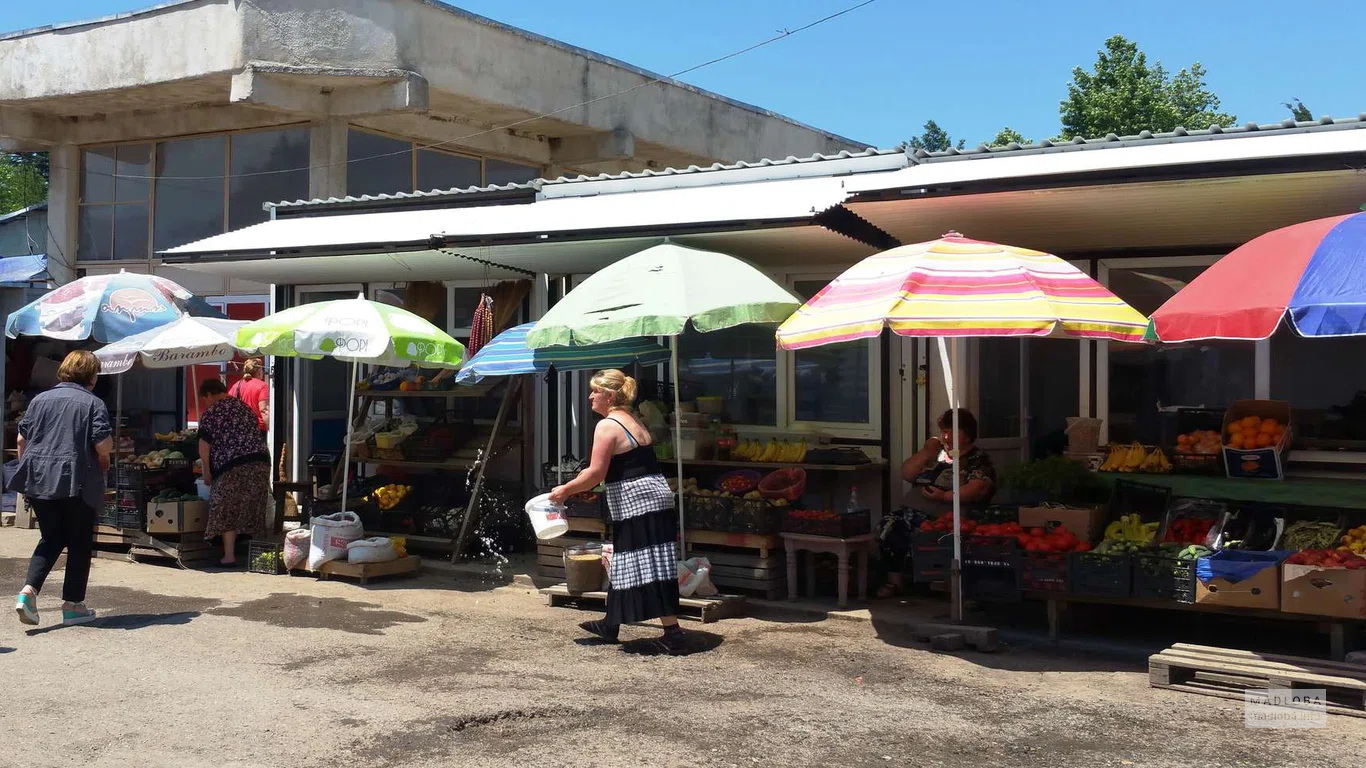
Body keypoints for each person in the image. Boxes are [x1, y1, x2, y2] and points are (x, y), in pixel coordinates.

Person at [549, 369, 684, 653]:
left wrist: (565, 490)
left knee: (648, 564)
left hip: (638, 504)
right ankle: (611, 624)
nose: (590, 396)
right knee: (629, 560)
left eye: (595, 391)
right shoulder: (631, 419)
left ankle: (673, 634)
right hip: (652, 498)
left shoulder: (608, 426)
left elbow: (596, 473)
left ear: (609, 396)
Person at [13, 350, 112, 626]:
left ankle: (27, 594)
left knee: (52, 538)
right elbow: (102, 445)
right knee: (79, 542)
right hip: (76, 481)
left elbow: (22, 439)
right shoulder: (93, 403)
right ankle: (72, 606)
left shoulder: (39, 400)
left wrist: (30, 474)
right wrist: (105, 459)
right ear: (92, 377)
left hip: (39, 480)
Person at [876, 408, 997, 598]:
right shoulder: (937, 454)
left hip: (946, 516)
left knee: (928, 533)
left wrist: (944, 497)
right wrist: (926, 453)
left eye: (951, 432)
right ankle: (895, 582)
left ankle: (947, 586)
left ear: (967, 435)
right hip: (913, 511)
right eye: (943, 431)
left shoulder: (977, 459)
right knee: (889, 525)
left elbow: (979, 488)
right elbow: (907, 473)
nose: (946, 436)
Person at [197, 378, 271, 566]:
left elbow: (204, 447)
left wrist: (207, 472)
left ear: (210, 394)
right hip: (259, 461)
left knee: (226, 507)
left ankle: (229, 556)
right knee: (253, 504)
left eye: (205, 399)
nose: (205, 403)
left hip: (230, 465)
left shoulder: (212, 412)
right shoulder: (245, 408)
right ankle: (257, 555)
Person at [229, 358, 269, 433]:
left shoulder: (236, 385)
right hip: (257, 428)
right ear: (259, 371)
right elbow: (264, 410)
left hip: (239, 428)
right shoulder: (262, 386)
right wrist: (271, 428)